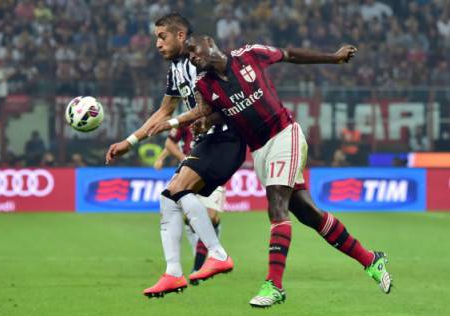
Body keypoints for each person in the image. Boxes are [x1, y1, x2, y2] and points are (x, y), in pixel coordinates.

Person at [148, 35, 392, 307]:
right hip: (260, 150)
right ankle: (371, 259)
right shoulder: (205, 84)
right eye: (189, 55)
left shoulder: (249, 55)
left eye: (194, 50)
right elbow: (213, 112)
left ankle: (274, 285)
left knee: (277, 207)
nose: (192, 57)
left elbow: (290, 53)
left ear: (210, 42)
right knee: (309, 214)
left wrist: (333, 58)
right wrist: (203, 123)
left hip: (284, 135)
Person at [105, 14, 247, 297]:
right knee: (169, 198)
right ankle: (174, 273)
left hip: (226, 137)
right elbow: (164, 110)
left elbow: (210, 106)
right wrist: (130, 141)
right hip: (208, 142)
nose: (157, 43)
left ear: (180, 35)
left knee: (177, 192)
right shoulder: (175, 69)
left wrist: (172, 124)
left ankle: (216, 254)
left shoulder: (201, 60)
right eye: (156, 37)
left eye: (162, 37)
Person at [154, 126, 224, 274]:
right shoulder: (186, 121)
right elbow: (170, 143)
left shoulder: (217, 116)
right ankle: (200, 260)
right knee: (191, 219)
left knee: (211, 218)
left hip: (212, 171)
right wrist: (165, 158)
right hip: (189, 174)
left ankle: (197, 268)